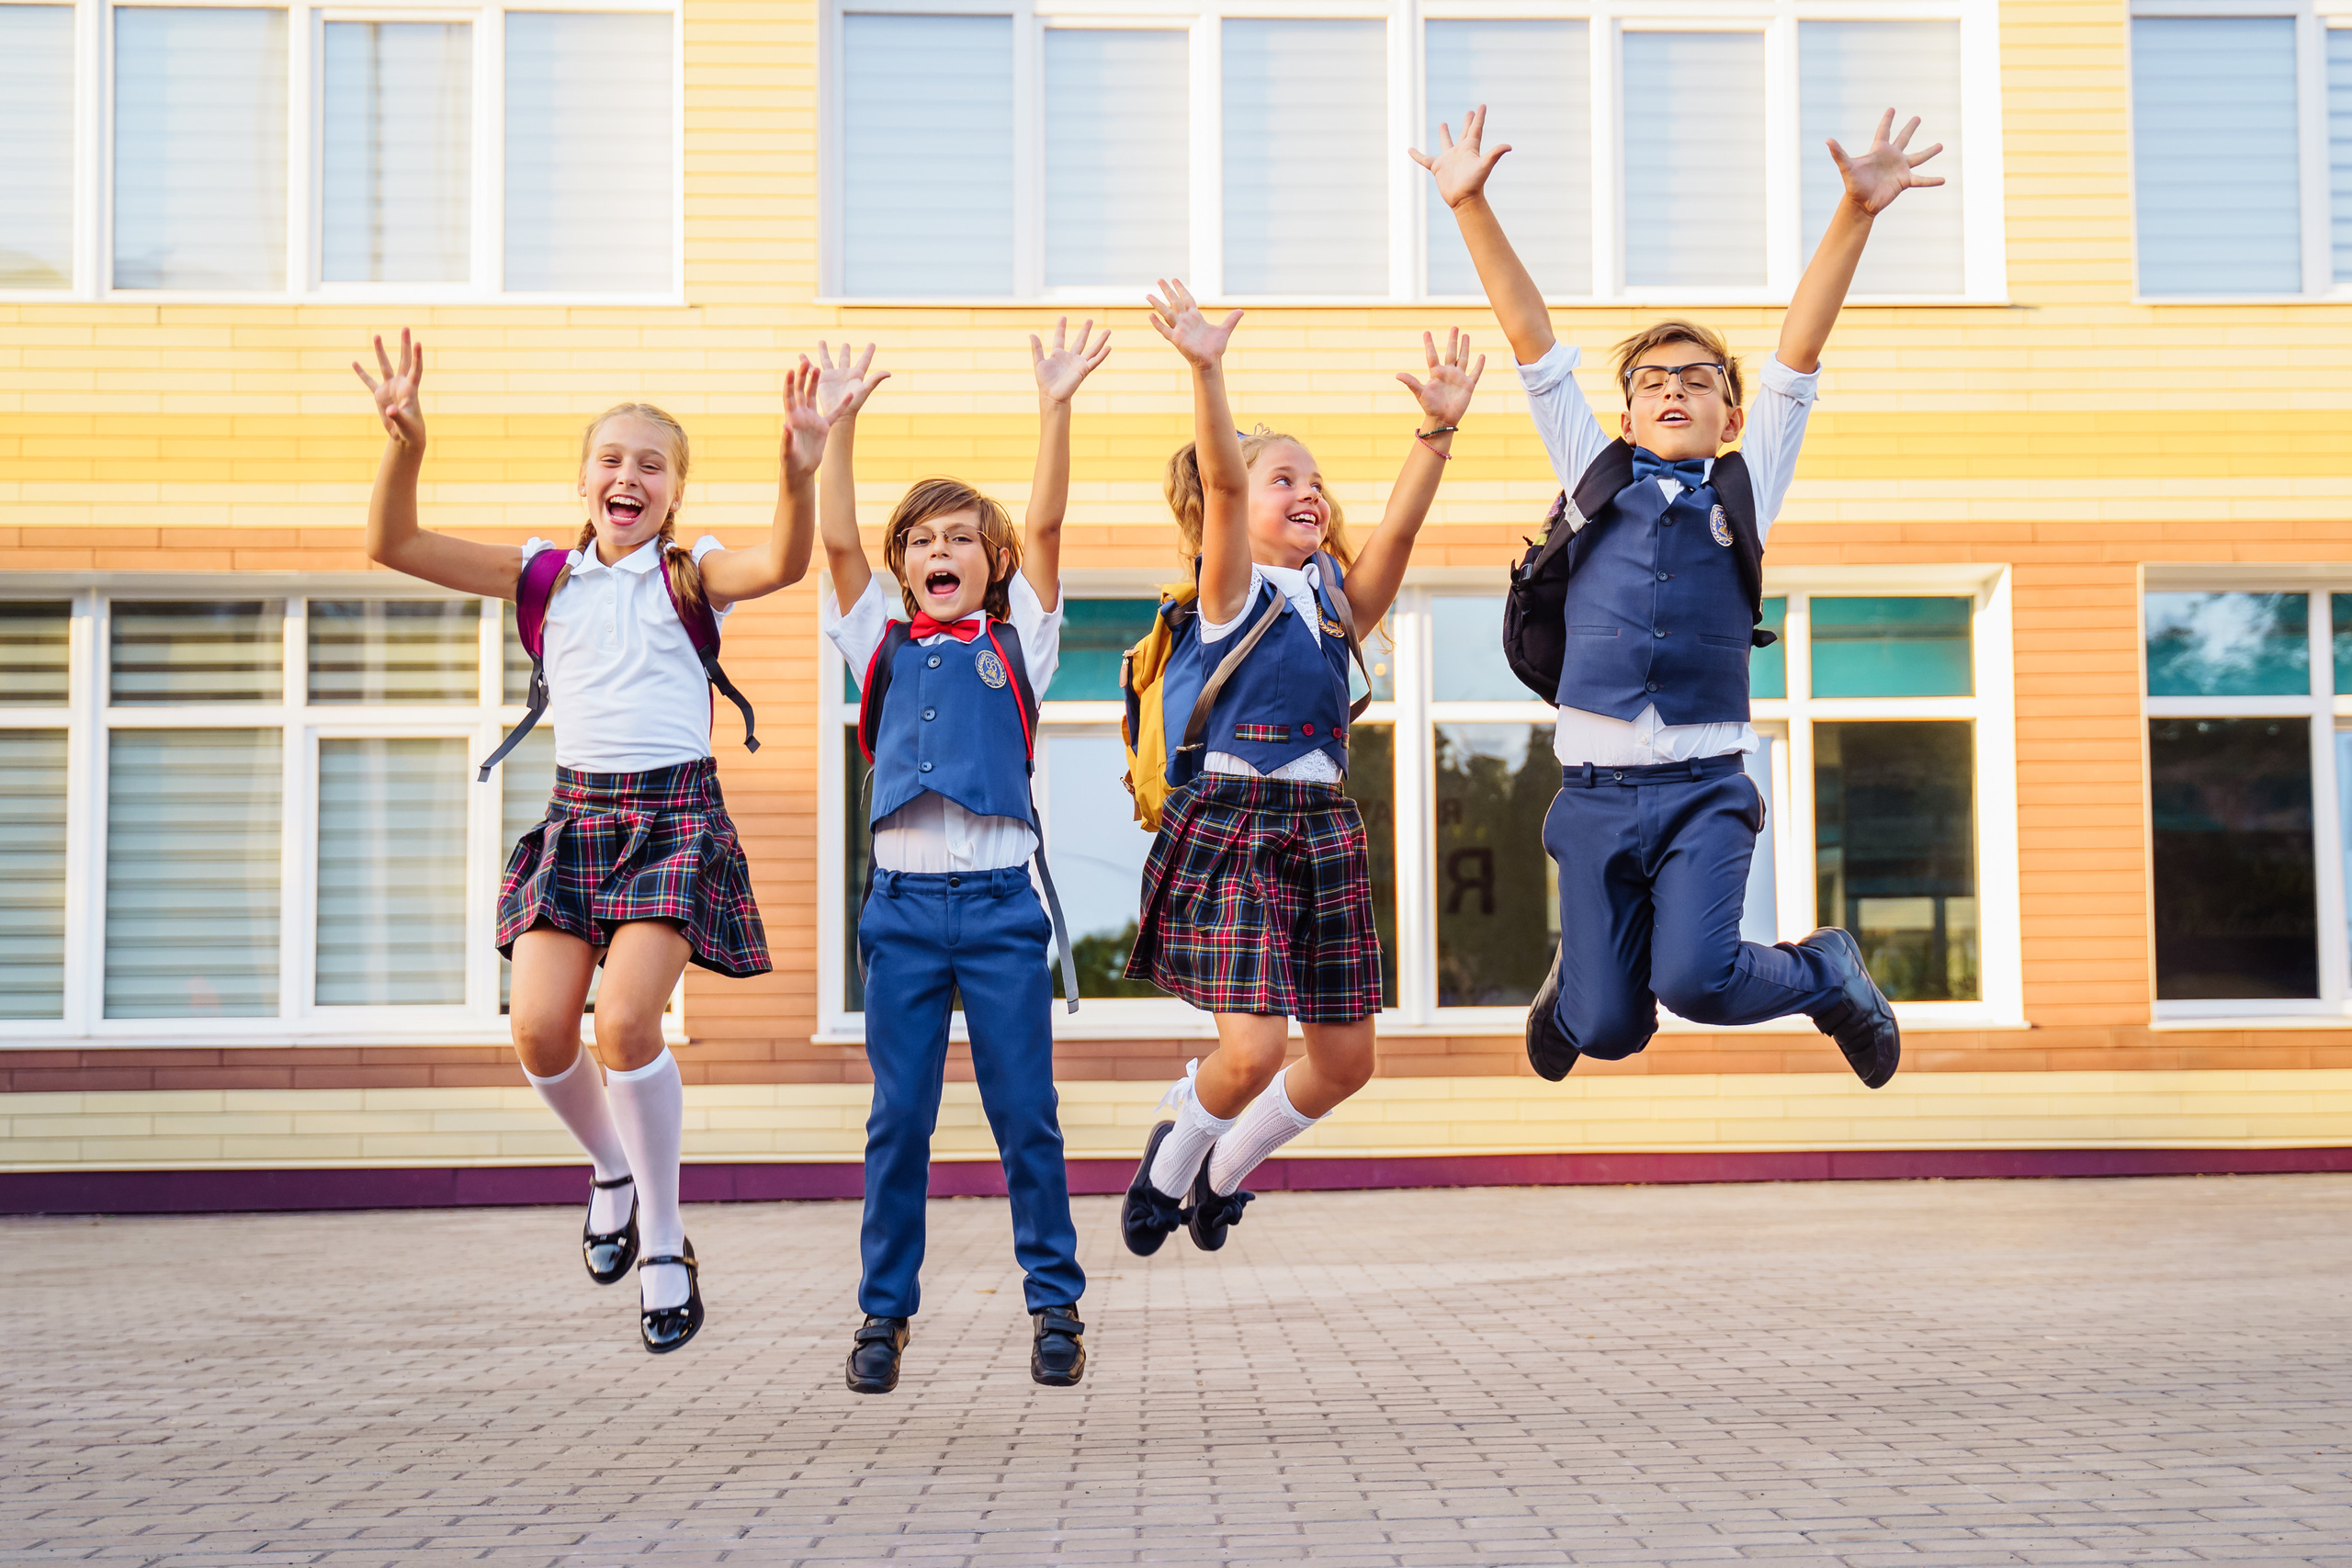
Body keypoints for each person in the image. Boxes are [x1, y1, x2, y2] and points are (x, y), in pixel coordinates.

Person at [1411, 105, 1945, 1084]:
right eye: (1651, 380)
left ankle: (1825, 972)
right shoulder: (1592, 471)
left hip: (1702, 793)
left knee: (1699, 982)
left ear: (1728, 412)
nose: (1671, 390)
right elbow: (1530, 344)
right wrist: (1469, 203)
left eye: (1695, 380)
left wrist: (1855, 215)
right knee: (1610, 1029)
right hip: (1593, 797)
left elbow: (1797, 355)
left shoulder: (1749, 485)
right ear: (1622, 411)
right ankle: (1584, 978)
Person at [353, 330, 837, 1353]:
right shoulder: (545, 576)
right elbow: (393, 544)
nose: (630, 475)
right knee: (538, 1032)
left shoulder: (689, 576)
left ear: (674, 492)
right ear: (584, 480)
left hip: (674, 817)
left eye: (651, 464)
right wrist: (405, 443)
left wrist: (800, 469)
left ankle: (662, 1232)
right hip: (577, 815)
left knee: (624, 1024)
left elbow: (785, 561)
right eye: (612, 460)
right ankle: (610, 1167)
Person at [1120, 281, 1483, 1256]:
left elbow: (1398, 537)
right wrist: (1206, 367)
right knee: (1249, 1054)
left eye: (1313, 479)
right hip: (1236, 819)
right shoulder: (1229, 592)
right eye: (1284, 478)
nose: (1305, 491)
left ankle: (1224, 1174)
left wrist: (1434, 435)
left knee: (1345, 1062)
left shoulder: (1332, 605)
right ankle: (1169, 1162)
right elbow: (1228, 488)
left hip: (1322, 828)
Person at [814, 322, 1112, 1393]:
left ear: (992, 568)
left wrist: (1056, 405)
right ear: (904, 567)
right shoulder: (876, 645)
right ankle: (882, 1315)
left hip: (995, 910)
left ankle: (1054, 1301)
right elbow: (837, 542)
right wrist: (836, 425)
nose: (942, 553)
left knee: (1022, 1112)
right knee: (899, 1120)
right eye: (924, 541)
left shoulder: (1016, 643)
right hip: (900, 912)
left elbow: (1046, 516)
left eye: (962, 541)